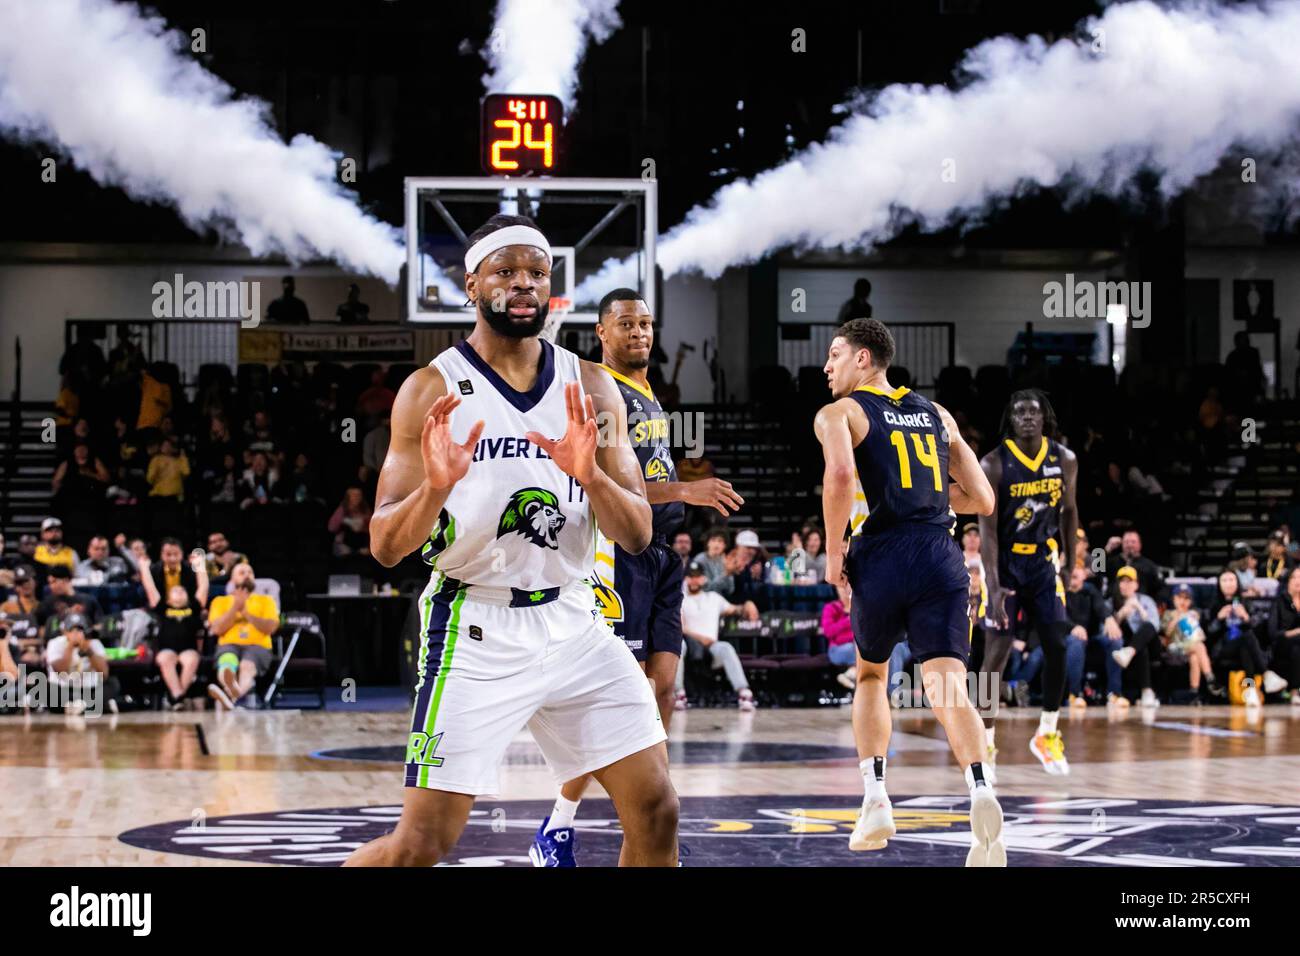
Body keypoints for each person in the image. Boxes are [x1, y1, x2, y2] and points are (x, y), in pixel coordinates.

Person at [343, 214, 677, 868]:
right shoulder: (431, 389)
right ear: (473, 285)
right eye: (506, 271)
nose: (523, 284)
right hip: (476, 623)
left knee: (656, 810)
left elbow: (638, 533)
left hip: (575, 618)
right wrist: (436, 488)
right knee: (420, 846)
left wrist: (591, 477)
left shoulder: (591, 385)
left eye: (537, 273)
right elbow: (384, 544)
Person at [531, 287, 744, 867]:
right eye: (627, 324)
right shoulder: (598, 390)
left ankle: (654, 818)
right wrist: (683, 489)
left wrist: (681, 487)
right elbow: (600, 484)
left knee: (664, 686)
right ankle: (557, 825)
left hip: (663, 557)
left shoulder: (650, 392)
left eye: (647, 324)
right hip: (617, 555)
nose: (641, 333)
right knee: (616, 696)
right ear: (602, 332)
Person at [815, 318, 1003, 866]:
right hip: (941, 555)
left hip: (881, 554)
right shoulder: (937, 414)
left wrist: (833, 555)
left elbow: (841, 479)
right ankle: (982, 790)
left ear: (863, 361)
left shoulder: (839, 414)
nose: (826, 367)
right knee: (948, 686)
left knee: (872, 673)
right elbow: (984, 499)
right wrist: (929, 500)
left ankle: (875, 796)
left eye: (835, 355)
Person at [979, 389, 1079, 777]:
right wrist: (993, 582)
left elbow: (1070, 512)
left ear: (1044, 417)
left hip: (1043, 563)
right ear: (1010, 419)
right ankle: (983, 744)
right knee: (995, 659)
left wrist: (1071, 561)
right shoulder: (993, 463)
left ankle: (1048, 732)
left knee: (1058, 644)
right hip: (1005, 563)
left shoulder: (1064, 459)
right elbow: (986, 531)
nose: (1026, 418)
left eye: (1033, 412)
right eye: (1018, 412)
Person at [676, 562, 759, 711]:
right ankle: (678, 694)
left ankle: (744, 693)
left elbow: (735, 609)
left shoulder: (714, 598)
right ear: (686, 579)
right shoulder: (680, 599)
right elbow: (680, 626)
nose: (694, 580)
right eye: (690, 577)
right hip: (691, 644)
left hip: (712, 647)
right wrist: (701, 638)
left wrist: (748, 604)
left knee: (726, 647)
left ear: (703, 579)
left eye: (697, 577)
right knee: (678, 646)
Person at [204, 562, 279, 710]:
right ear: (232, 580)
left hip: (258, 646)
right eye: (241, 572)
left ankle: (228, 696)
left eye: (249, 572)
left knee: (246, 666)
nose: (247, 575)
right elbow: (217, 629)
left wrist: (246, 613)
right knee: (227, 665)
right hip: (229, 644)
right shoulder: (220, 601)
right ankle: (234, 693)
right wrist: (235, 608)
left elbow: (271, 628)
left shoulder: (266, 600)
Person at [1206, 569, 1284, 701]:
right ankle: (1266, 674)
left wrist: (1246, 618)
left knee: (1246, 645)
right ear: (1219, 584)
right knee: (1247, 637)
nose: (1228, 584)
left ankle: (1251, 689)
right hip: (1223, 648)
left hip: (1246, 647)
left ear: (1237, 582)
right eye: (1224, 580)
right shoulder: (1214, 605)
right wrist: (1218, 619)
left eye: (1231, 580)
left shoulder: (1246, 603)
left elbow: (1260, 630)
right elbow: (1207, 633)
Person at [1063, 566, 1127, 709]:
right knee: (1076, 642)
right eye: (1070, 569)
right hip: (1068, 637)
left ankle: (1114, 694)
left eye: (1077, 569)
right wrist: (1073, 627)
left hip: (1091, 638)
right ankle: (1074, 694)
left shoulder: (1090, 590)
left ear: (1084, 575)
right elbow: (1059, 616)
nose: (1073, 572)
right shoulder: (1060, 590)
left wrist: (1108, 618)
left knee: (1115, 640)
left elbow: (1100, 606)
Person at [45, 612, 118, 715]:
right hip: (64, 690)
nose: (76, 634)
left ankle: (81, 706)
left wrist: (89, 651)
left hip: (88, 690)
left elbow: (104, 673)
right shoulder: (55, 643)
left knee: (113, 683)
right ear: (65, 632)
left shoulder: (94, 643)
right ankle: (97, 705)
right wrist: (70, 646)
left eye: (79, 630)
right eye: (72, 630)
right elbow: (60, 670)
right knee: (45, 689)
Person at [1110, 566, 1162, 709]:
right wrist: (1121, 614)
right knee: (1140, 648)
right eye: (1122, 581)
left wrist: (1138, 608)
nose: (1125, 585)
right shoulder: (1111, 602)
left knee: (1147, 628)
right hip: (1126, 645)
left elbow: (1154, 625)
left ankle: (1129, 652)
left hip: (1151, 643)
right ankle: (1147, 691)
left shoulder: (1146, 600)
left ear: (1136, 584)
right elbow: (1106, 630)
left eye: (1129, 581)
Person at [1160, 583, 1222, 702]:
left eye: (1186, 598)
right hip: (1174, 647)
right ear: (1174, 599)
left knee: (1194, 657)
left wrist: (1193, 620)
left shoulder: (1194, 614)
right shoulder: (1168, 614)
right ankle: (1210, 678)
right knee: (1199, 647)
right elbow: (1166, 633)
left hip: (1191, 647)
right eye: (1180, 597)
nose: (1183, 601)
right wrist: (1177, 618)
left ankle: (1194, 693)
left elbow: (1200, 635)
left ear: (1191, 601)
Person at [148, 584, 205, 710]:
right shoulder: (163, 608)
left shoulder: (193, 609)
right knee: (165, 659)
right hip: (167, 649)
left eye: (182, 590)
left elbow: (203, 588)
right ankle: (179, 696)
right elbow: (151, 591)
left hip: (188, 649)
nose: (179, 592)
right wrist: (144, 568)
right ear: (168, 599)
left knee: (192, 659)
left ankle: (175, 697)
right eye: (175, 591)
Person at [36, 565, 104, 641]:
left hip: (85, 642)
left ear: (66, 580)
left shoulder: (88, 600)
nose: (51, 586)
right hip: (56, 644)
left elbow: (99, 624)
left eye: (54, 581)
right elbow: (41, 628)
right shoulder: (46, 603)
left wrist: (85, 634)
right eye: (50, 583)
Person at [140, 539, 209, 609]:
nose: (172, 559)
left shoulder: (190, 570)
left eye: (176, 554)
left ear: (182, 554)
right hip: (161, 609)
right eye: (168, 554)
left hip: (187, 608)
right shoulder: (153, 571)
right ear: (161, 555)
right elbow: (153, 601)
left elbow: (199, 599)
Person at [1267, 566, 1300, 704]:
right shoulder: (1279, 602)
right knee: (1296, 647)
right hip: (1282, 645)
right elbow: (1272, 632)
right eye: (1295, 577)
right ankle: (1294, 691)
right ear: (1288, 581)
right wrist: (1295, 632)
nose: (1299, 580)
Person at [823, 580, 857, 688]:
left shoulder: (860, 609)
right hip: (837, 650)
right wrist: (847, 621)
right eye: (841, 588)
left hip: (857, 647)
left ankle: (852, 673)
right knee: (856, 649)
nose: (846, 592)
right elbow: (829, 632)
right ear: (837, 590)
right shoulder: (831, 608)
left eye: (849, 588)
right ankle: (852, 674)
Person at [691, 528, 734, 596]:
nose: (716, 544)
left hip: (721, 599)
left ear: (724, 546)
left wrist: (729, 574)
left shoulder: (725, 560)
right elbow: (706, 588)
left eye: (720, 541)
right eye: (713, 540)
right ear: (707, 543)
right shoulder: (699, 559)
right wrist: (726, 574)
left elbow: (730, 589)